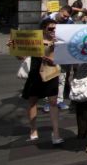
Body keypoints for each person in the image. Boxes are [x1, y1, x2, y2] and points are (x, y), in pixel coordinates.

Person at [17, 18, 64, 146]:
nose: (53, 31)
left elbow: (62, 60)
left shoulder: (59, 41)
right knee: (32, 102)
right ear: (43, 29)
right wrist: (15, 47)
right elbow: (21, 57)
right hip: (35, 74)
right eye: (50, 29)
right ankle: (33, 130)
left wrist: (52, 60)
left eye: (55, 29)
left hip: (51, 73)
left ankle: (56, 134)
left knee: (53, 103)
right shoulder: (35, 41)